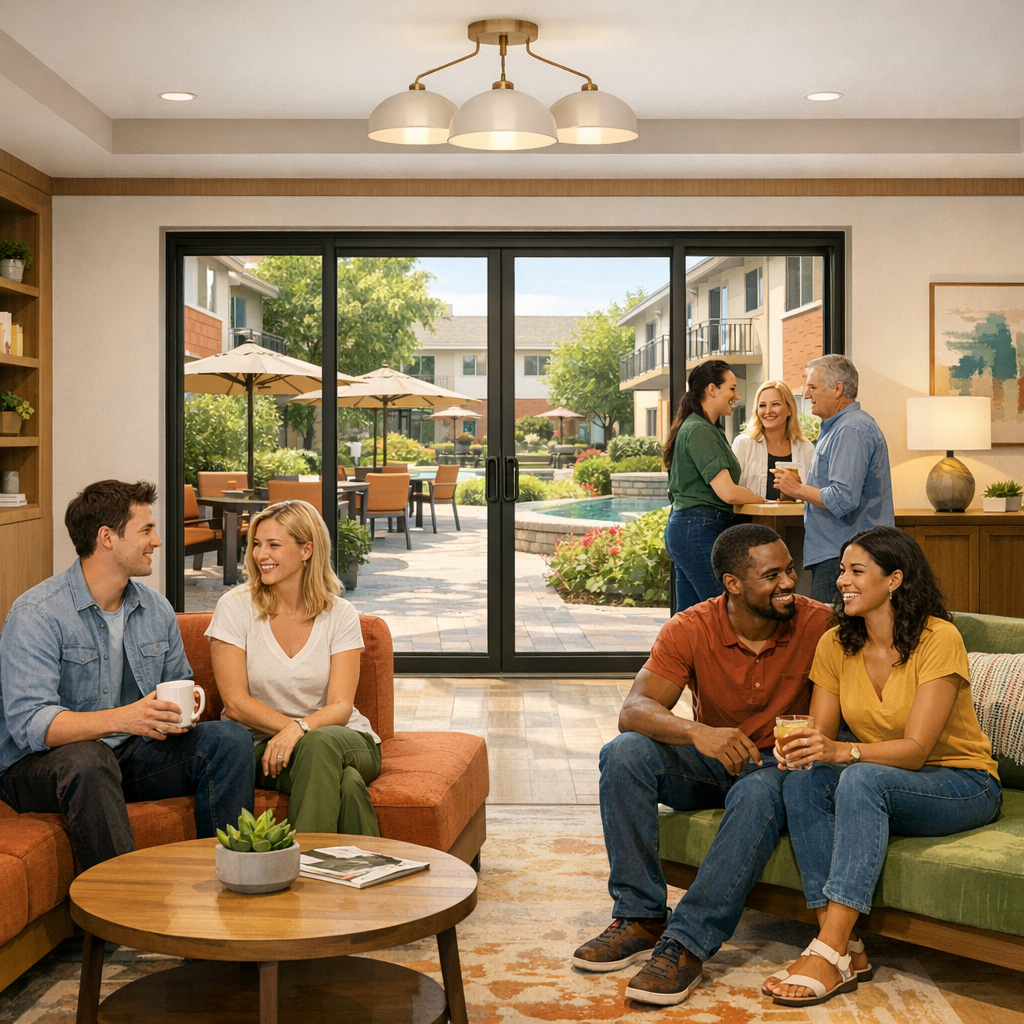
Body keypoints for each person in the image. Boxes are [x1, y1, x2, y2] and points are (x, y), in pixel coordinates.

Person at [573, 524, 833, 1006]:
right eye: (771, 575)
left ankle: (685, 944)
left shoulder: (820, 624)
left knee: (758, 790)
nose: (788, 583)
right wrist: (698, 732)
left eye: (790, 570)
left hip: (778, 770)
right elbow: (633, 709)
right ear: (733, 583)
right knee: (623, 752)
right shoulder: (690, 627)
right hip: (713, 762)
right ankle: (640, 916)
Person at [764, 527, 1001, 1008]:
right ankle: (846, 947)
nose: (842, 582)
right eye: (840, 572)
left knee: (859, 776)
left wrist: (839, 752)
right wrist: (802, 748)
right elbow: (823, 736)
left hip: (962, 781)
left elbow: (915, 750)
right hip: (881, 779)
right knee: (803, 780)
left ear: (894, 580)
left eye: (856, 571)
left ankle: (827, 949)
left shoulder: (939, 637)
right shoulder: (835, 644)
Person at [0, 480, 254, 870]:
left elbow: (179, 682)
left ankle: (238, 879)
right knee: (89, 757)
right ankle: (120, 922)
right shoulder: (37, 614)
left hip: (125, 757)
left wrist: (182, 712)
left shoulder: (155, 608)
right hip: (39, 768)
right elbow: (32, 726)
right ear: (107, 538)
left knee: (229, 739)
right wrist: (127, 717)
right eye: (146, 530)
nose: (156, 541)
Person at [207, 499, 382, 836]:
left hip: (347, 741)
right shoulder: (234, 607)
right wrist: (293, 731)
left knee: (319, 747)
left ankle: (301, 877)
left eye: (274, 545)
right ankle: (366, 874)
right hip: (265, 749)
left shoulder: (340, 614)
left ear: (306, 550)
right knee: (345, 782)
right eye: (257, 544)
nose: (261, 555)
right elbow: (236, 704)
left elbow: (341, 707)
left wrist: (299, 730)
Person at [772, 354, 893, 604]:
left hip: (844, 556)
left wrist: (798, 490)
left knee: (834, 631)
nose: (807, 395)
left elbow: (843, 498)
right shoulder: (839, 428)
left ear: (838, 389)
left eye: (812, 387)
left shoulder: (850, 429)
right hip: (840, 552)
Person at [663, 360, 765, 612]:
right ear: (712, 389)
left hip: (689, 528)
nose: (736, 396)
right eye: (731, 388)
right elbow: (727, 491)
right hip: (699, 528)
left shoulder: (705, 428)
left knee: (691, 621)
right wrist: (761, 500)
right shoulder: (699, 429)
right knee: (728, 611)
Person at [732, 379, 815, 500]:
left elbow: (813, 494)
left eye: (775, 404)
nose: (768, 411)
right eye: (762, 405)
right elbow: (732, 490)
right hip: (750, 518)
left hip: (794, 518)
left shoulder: (806, 448)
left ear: (790, 409)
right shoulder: (743, 443)